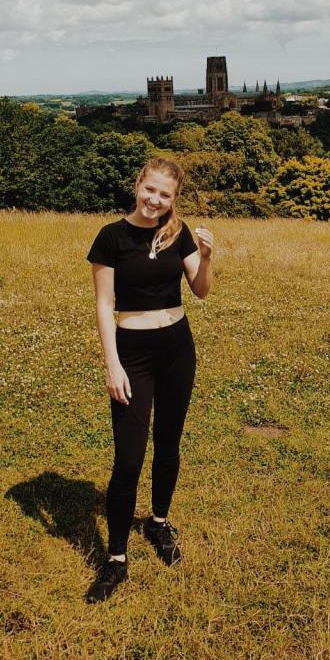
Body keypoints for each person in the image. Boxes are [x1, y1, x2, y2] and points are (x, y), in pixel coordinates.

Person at [84, 157, 214, 603]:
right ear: (137, 184)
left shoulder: (179, 233)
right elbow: (104, 306)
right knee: (128, 459)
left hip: (178, 348)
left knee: (169, 443)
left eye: (165, 195)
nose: (155, 200)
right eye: (150, 190)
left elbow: (201, 290)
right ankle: (116, 559)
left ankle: (158, 522)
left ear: (174, 200)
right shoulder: (111, 237)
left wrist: (208, 257)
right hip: (133, 353)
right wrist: (112, 365)